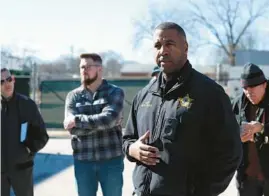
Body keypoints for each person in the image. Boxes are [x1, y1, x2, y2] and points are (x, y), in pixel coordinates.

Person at [122, 22, 242, 196]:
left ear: (185, 48)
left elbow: (231, 153)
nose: (162, 51)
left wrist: (201, 192)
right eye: (157, 46)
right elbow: (128, 138)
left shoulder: (209, 93)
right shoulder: (144, 95)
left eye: (169, 44)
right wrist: (132, 150)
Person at [63, 53, 125, 196]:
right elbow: (72, 130)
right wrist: (103, 123)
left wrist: (78, 121)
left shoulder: (114, 92)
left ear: (99, 69)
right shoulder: (73, 96)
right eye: (81, 67)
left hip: (111, 161)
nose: (84, 70)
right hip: (83, 162)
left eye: (88, 66)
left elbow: (108, 119)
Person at [1, 68, 49, 196]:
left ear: (13, 80)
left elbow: (42, 135)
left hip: (22, 169)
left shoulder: (27, 104)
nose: (7, 84)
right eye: (1, 81)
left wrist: (29, 149)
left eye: (9, 79)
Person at [232, 63, 269, 196]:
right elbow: (226, 130)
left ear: (264, 84)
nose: (249, 92)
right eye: (245, 88)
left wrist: (262, 128)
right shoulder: (238, 103)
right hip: (247, 177)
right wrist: (237, 137)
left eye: (253, 86)